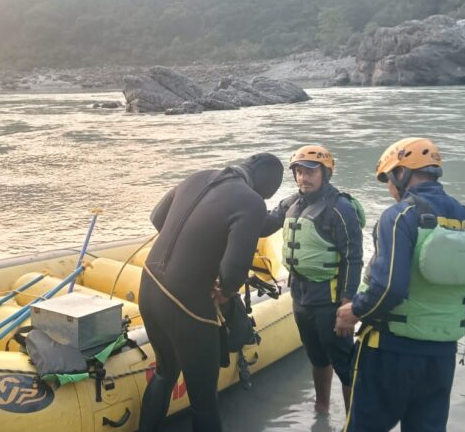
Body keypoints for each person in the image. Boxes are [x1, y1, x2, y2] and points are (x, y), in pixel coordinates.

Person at [336, 137, 465, 431]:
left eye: (388, 179)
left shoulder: (399, 216)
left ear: (401, 172)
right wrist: (458, 306)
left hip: (387, 352)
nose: (389, 189)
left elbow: (389, 288)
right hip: (440, 357)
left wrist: (354, 311)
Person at [138, 153, 284, 432]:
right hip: (186, 305)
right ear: (267, 190)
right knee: (204, 402)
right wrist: (225, 290)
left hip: (148, 286)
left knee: (165, 373)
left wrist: (190, 250)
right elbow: (234, 269)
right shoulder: (252, 202)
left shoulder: (198, 176)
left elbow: (157, 217)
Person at [259, 145, 363, 414]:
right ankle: (322, 408)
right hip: (300, 298)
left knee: (345, 364)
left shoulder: (340, 209)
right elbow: (263, 226)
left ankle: (354, 421)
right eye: (299, 172)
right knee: (316, 357)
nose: (303, 178)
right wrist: (242, 202)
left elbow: (353, 259)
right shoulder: (290, 204)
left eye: (310, 172)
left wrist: (348, 306)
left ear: (325, 173)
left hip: (330, 301)